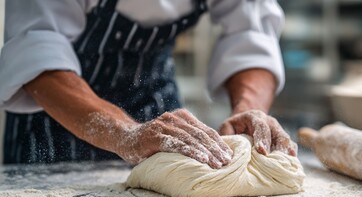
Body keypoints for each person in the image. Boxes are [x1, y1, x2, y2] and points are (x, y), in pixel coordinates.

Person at [0, 0, 297, 168]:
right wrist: (126, 134)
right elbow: (37, 48)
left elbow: (250, 33)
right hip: (56, 116)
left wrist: (248, 110)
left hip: (157, 106)